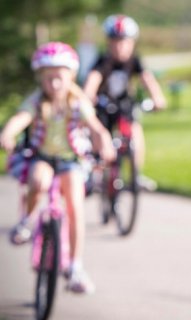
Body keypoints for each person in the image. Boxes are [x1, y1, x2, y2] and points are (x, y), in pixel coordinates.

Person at [0, 42, 115, 293]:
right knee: (38, 181)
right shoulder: (37, 100)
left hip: (70, 160)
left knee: (74, 202)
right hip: (42, 157)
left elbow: (95, 126)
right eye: (48, 78)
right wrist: (7, 134)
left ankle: (75, 266)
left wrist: (104, 142)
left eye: (59, 78)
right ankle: (27, 221)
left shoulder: (77, 101)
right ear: (40, 78)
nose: (54, 85)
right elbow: (22, 118)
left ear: (71, 77)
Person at [83, 14, 167, 191]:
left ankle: (136, 173)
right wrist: (88, 95)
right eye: (115, 41)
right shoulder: (103, 60)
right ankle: (96, 174)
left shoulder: (134, 61)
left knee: (135, 132)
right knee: (99, 133)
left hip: (124, 105)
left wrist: (157, 98)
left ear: (132, 43)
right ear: (108, 43)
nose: (119, 46)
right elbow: (93, 79)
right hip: (103, 105)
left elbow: (147, 79)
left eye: (124, 41)